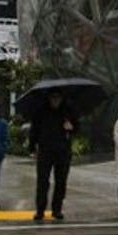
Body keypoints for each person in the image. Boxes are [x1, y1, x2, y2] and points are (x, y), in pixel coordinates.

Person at [29, 91, 78, 221]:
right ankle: (40, 210)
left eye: (58, 98)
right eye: (53, 98)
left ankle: (57, 209)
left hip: (63, 151)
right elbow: (34, 130)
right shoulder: (41, 111)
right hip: (45, 150)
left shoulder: (68, 111)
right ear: (49, 98)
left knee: (61, 181)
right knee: (42, 181)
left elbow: (77, 127)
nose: (55, 100)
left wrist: (71, 127)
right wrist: (32, 147)